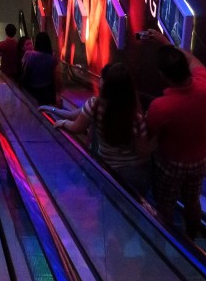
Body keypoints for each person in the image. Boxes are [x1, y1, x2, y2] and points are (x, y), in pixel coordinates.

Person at [143, 30, 206, 236]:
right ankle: (192, 239)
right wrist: (168, 45)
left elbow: (149, 135)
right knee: (193, 201)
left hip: (171, 164)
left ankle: (167, 242)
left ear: (163, 76)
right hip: (200, 160)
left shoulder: (161, 106)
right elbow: (192, 60)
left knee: (165, 204)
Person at [54, 63, 151, 193]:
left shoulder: (95, 104)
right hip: (133, 173)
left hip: (107, 167)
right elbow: (142, 152)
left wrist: (63, 123)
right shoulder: (136, 118)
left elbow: (76, 127)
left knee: (108, 204)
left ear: (106, 84)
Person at [20, 32, 60, 106]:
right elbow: (56, 77)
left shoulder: (29, 55)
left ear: (36, 42)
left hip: (32, 90)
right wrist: (57, 94)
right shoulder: (52, 58)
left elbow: (23, 69)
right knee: (46, 111)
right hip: (47, 91)